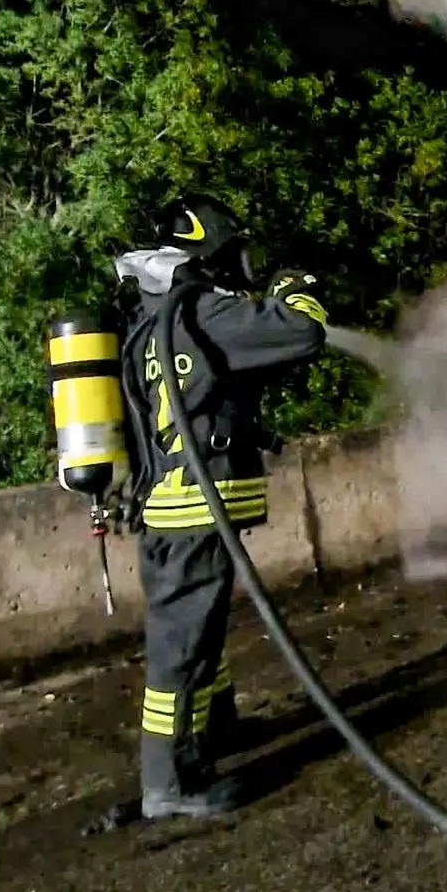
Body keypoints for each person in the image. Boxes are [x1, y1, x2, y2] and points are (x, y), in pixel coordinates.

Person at [112, 194, 329, 819]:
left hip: (170, 504)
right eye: (235, 253)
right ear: (212, 251)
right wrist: (295, 288)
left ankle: (212, 732)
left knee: (200, 633)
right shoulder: (204, 312)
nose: (242, 266)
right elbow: (301, 332)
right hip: (192, 504)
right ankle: (169, 783)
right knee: (182, 644)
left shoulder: (149, 319)